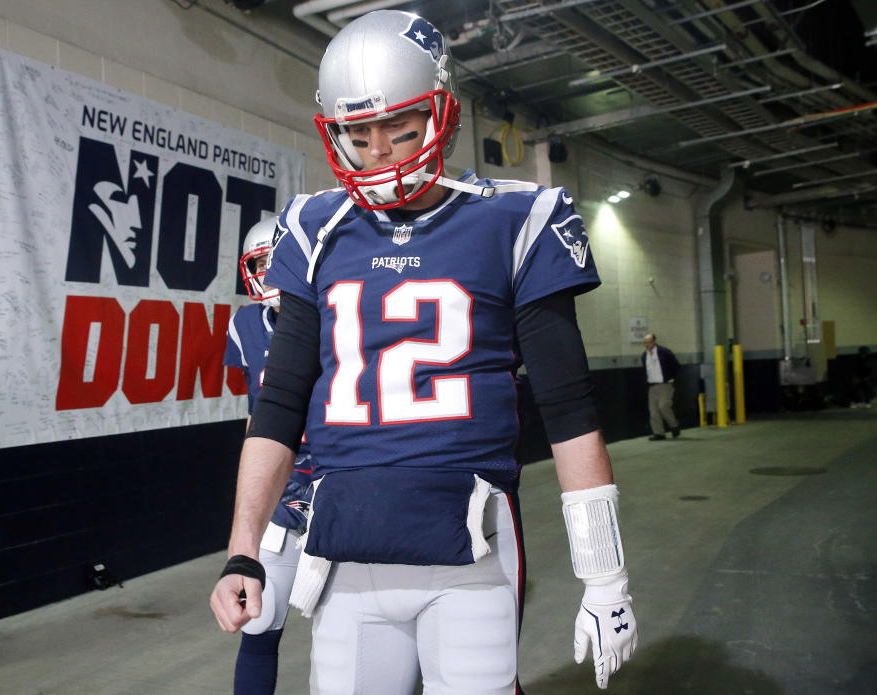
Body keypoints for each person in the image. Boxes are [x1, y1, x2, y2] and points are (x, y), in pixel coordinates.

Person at [210, 10, 638, 693]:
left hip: (471, 538)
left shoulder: (517, 218)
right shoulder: (312, 227)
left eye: (400, 126)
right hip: (345, 541)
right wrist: (242, 550)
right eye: (359, 131)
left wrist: (605, 570)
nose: (380, 149)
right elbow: (279, 407)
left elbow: (567, 407)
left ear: (442, 111)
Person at [222, 216, 314, 695]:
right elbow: (257, 415)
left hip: (342, 482)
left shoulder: (338, 314)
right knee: (259, 626)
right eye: (263, 264)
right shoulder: (245, 325)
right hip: (283, 488)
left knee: (356, 630)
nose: (272, 274)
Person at [641, 333, 680, 440]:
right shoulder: (645, 355)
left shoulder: (665, 352)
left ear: (654, 341)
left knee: (663, 406)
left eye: (649, 342)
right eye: (645, 343)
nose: (647, 344)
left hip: (665, 385)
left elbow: (676, 365)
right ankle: (659, 433)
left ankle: (674, 425)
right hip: (652, 386)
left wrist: (671, 378)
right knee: (653, 411)